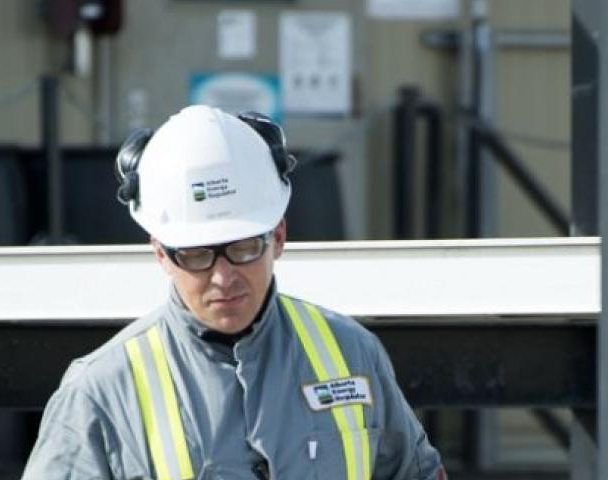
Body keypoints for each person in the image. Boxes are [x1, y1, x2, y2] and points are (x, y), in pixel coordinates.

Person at [23, 105, 445, 480]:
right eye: (197, 255)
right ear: (161, 254)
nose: (224, 277)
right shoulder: (101, 391)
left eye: (244, 249)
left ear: (278, 236)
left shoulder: (352, 353)